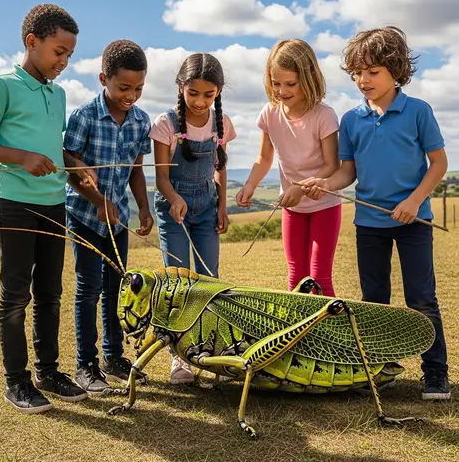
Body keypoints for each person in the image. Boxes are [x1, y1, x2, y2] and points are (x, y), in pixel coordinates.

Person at [303, 26, 450, 400]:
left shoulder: (418, 111)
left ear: (396, 71)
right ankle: (381, 371)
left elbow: (438, 164)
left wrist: (414, 201)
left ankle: (435, 374)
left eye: (373, 72)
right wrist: (326, 184)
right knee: (374, 300)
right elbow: (347, 172)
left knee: (421, 298)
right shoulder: (351, 120)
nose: (363, 80)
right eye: (357, 73)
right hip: (369, 224)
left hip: (414, 221)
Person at [0, 3, 89, 413]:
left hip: (54, 203)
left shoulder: (59, 94)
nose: (64, 62)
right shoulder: (3, 84)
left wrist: (75, 169)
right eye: (59, 52)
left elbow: (54, 150)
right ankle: (16, 382)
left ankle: (48, 372)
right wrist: (21, 157)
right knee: (16, 295)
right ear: (31, 42)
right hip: (14, 201)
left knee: (51, 293)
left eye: (70, 55)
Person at [64, 40, 153, 395]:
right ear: (104, 78)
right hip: (85, 214)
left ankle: (114, 359)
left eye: (138, 88)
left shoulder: (141, 121)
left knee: (117, 288)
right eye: (123, 88)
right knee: (89, 289)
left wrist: (144, 207)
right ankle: (85, 365)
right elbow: (70, 163)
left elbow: (136, 169)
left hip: (117, 220)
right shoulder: (84, 116)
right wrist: (97, 198)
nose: (131, 95)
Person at [149, 53, 236, 383]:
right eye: (193, 93)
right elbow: (161, 178)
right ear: (180, 87)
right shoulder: (166, 125)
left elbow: (220, 168)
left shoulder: (221, 124)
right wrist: (174, 199)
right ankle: (179, 357)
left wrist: (223, 207)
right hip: (175, 212)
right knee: (178, 282)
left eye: (209, 95)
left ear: (218, 93)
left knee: (210, 280)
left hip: (207, 209)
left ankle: (212, 352)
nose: (201, 102)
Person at [236, 39, 342, 296]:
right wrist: (249, 185)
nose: (281, 90)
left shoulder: (323, 116)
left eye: (290, 84)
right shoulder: (270, 113)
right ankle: (300, 335)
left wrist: (301, 188)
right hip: (292, 209)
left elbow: (332, 166)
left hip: (324, 206)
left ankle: (330, 334)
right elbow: (264, 157)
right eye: (276, 83)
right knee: (296, 277)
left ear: (308, 78)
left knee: (319, 278)